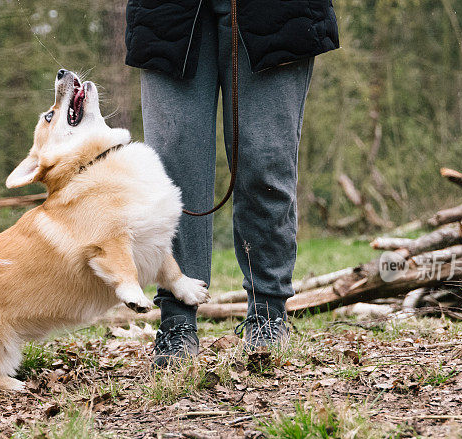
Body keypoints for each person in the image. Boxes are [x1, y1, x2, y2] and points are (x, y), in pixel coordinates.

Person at [125, 0, 339, 366]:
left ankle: (268, 313)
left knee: (265, 161)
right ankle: (176, 321)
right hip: (165, 12)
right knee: (171, 173)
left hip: (277, 12)